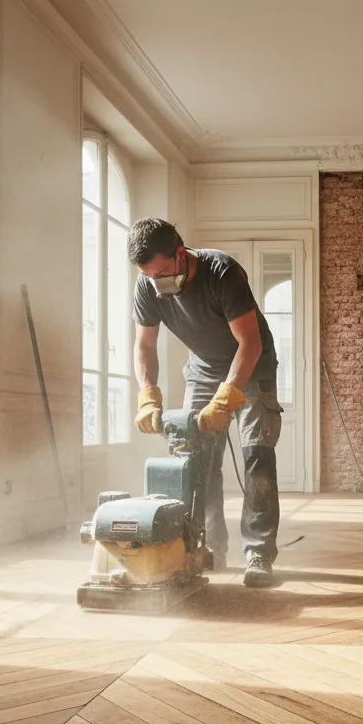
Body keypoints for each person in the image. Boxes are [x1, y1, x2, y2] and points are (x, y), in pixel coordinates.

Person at [128, 218, 281, 587]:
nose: (158, 283)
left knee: (257, 457)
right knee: (196, 462)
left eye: (164, 272)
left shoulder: (221, 272)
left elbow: (251, 343)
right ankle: (207, 546)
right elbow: (144, 346)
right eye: (151, 276)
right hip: (201, 370)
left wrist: (227, 398)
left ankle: (258, 551)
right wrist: (148, 394)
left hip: (252, 365)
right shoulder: (148, 287)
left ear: (181, 254)